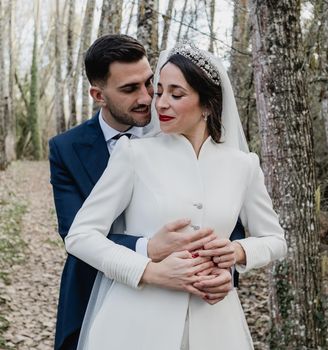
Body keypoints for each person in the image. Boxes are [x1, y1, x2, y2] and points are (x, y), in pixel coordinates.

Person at [64, 42, 287, 349]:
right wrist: (149, 272)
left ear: (207, 104)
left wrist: (236, 254)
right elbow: (80, 236)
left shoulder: (243, 166)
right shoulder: (134, 154)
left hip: (216, 325)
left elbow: (275, 240)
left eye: (176, 94)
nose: (160, 104)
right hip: (134, 324)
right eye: (159, 92)